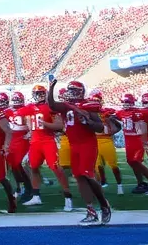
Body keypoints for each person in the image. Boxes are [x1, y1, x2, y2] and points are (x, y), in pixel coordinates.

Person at [48, 79, 111, 226]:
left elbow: (99, 127)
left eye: (75, 90)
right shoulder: (65, 106)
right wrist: (51, 89)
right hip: (73, 145)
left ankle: (103, 204)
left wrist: (88, 122)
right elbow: (51, 104)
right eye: (70, 90)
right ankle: (90, 210)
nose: (71, 93)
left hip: (87, 144)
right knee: (79, 177)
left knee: (88, 174)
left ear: (81, 92)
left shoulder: (88, 105)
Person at [20, 83, 73, 210]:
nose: (39, 96)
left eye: (41, 93)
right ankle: (36, 196)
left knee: (55, 167)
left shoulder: (51, 107)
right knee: (33, 168)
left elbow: (59, 126)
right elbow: (23, 119)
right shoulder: (30, 107)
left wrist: (45, 124)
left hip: (48, 141)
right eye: (37, 93)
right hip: (35, 142)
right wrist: (30, 131)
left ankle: (68, 197)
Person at [114, 93, 148, 193]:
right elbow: (115, 117)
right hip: (128, 140)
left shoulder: (138, 112)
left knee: (137, 161)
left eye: (127, 102)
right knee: (131, 162)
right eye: (124, 102)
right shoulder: (121, 112)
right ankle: (140, 182)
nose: (125, 104)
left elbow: (145, 124)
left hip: (137, 139)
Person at [4, 91, 34, 204]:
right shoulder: (8, 111)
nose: (16, 102)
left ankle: (30, 188)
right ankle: (21, 187)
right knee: (14, 166)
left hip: (22, 141)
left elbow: (29, 123)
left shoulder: (26, 110)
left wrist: (30, 133)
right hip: (12, 141)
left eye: (18, 100)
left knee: (22, 165)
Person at [94, 92, 125, 196]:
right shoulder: (88, 112)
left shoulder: (106, 112)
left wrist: (111, 127)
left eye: (97, 100)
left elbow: (118, 125)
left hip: (106, 140)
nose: (96, 102)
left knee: (113, 164)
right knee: (97, 165)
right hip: (95, 141)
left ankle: (119, 185)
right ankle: (102, 182)